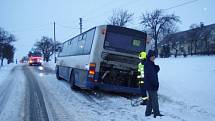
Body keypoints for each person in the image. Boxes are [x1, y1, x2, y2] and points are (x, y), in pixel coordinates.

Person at [144, 50, 164, 118]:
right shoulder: (148, 64)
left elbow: (154, 72)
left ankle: (148, 113)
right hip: (151, 85)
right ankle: (157, 113)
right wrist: (155, 84)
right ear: (150, 56)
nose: (154, 58)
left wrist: (156, 68)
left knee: (150, 100)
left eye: (154, 56)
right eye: (153, 56)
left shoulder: (150, 63)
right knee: (155, 100)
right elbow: (151, 76)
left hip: (150, 85)